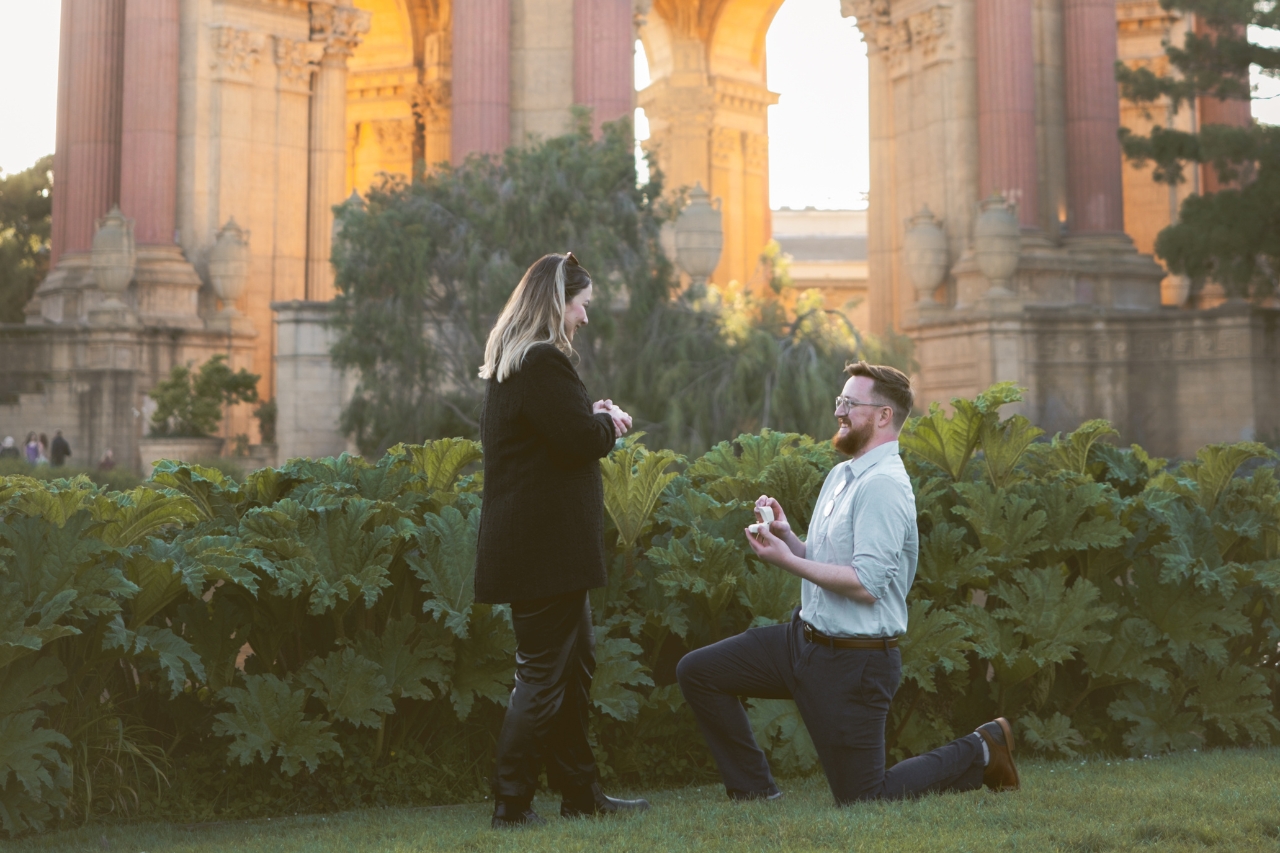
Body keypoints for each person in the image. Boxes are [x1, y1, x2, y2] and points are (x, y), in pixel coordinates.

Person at [676, 361, 1020, 806]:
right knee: (700, 672)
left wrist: (787, 563)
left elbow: (866, 585)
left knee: (863, 797)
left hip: (853, 665)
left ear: (882, 416)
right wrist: (789, 539)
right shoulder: (843, 475)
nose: (839, 411)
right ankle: (755, 793)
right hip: (802, 642)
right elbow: (827, 563)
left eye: (849, 404)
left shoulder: (883, 487)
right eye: (840, 401)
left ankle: (983, 748)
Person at [473, 252, 649, 829]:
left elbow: (556, 431)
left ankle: (580, 792)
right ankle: (512, 803)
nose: (585, 317)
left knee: (571, 670)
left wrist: (590, 415)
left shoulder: (522, 361)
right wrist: (611, 425)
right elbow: (579, 439)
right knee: (544, 674)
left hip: (539, 548)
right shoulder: (544, 360)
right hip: (543, 549)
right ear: (558, 302)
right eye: (582, 305)